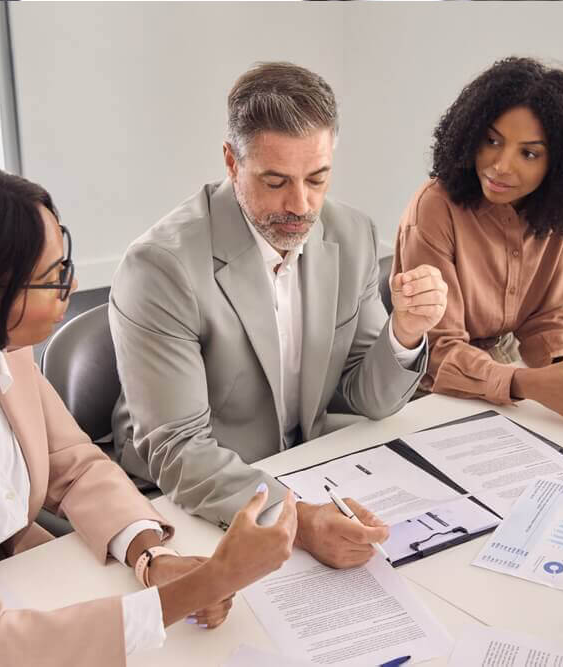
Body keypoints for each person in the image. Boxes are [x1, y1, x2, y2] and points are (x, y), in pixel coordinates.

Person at [0, 162, 298, 666]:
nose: (71, 285)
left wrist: (152, 558)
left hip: (9, 580)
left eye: (66, 259)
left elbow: (74, 464)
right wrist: (207, 584)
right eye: (51, 277)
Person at [109, 61, 448, 569]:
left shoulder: (351, 234)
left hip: (304, 465)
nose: (301, 204)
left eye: (318, 178)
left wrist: (405, 332)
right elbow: (178, 451)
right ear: (230, 161)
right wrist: (300, 520)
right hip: (190, 499)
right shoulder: (160, 266)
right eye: (274, 181)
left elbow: (365, 398)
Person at [393, 57, 563, 432]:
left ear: (560, 164)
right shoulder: (435, 207)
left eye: (529, 153)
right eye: (491, 141)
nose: (501, 166)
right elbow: (437, 351)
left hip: (507, 377)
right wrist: (529, 384)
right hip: (430, 395)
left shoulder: (559, 213)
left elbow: (550, 318)